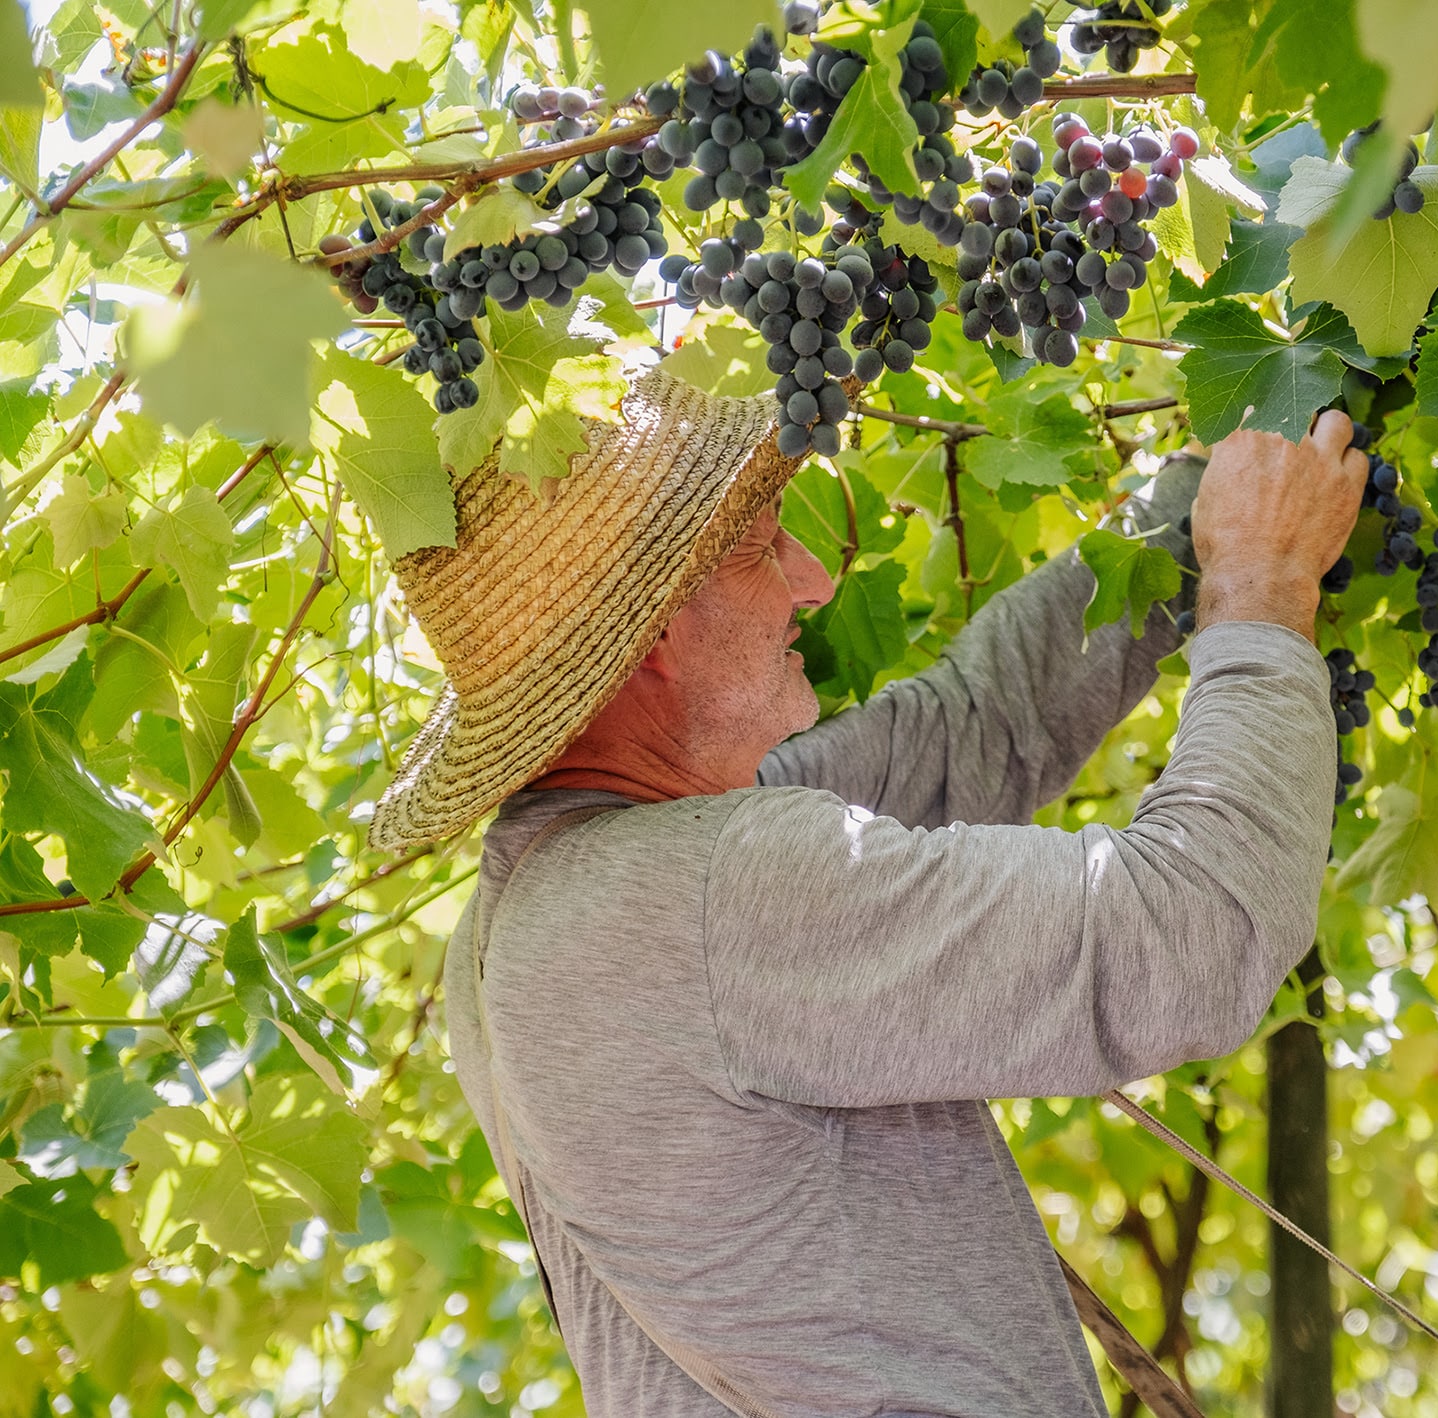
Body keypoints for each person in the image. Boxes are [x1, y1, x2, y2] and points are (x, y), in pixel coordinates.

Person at [368, 364, 1368, 1415]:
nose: (811, 576)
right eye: (762, 544)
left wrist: (1184, 516)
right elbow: (1191, 930)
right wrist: (1259, 587)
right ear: (652, 634)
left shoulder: (533, 912)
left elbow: (972, 731)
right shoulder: (707, 893)